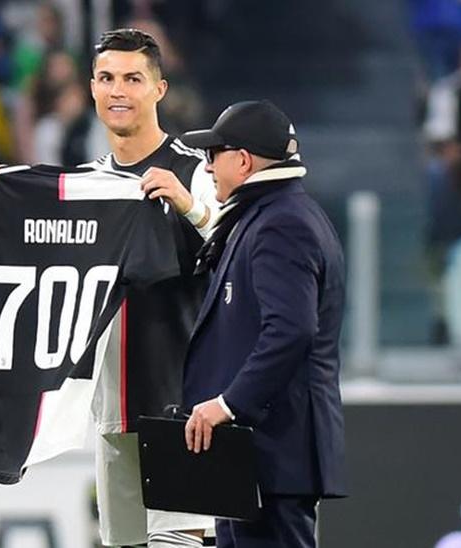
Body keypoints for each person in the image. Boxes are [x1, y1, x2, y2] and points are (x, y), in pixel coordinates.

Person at [0, 27, 218, 548]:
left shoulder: (195, 170)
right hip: (111, 407)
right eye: (106, 77)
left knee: (181, 543)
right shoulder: (81, 186)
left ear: (159, 90)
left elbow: (238, 256)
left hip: (181, 403)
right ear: (92, 88)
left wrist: (190, 208)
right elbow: (5, 268)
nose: (118, 90)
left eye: (132, 78)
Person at [181, 101, 346, 548]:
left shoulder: (282, 223)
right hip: (254, 455)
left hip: (274, 452)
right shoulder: (267, 215)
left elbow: (292, 329)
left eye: (214, 153)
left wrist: (229, 404)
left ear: (244, 159)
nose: (208, 165)